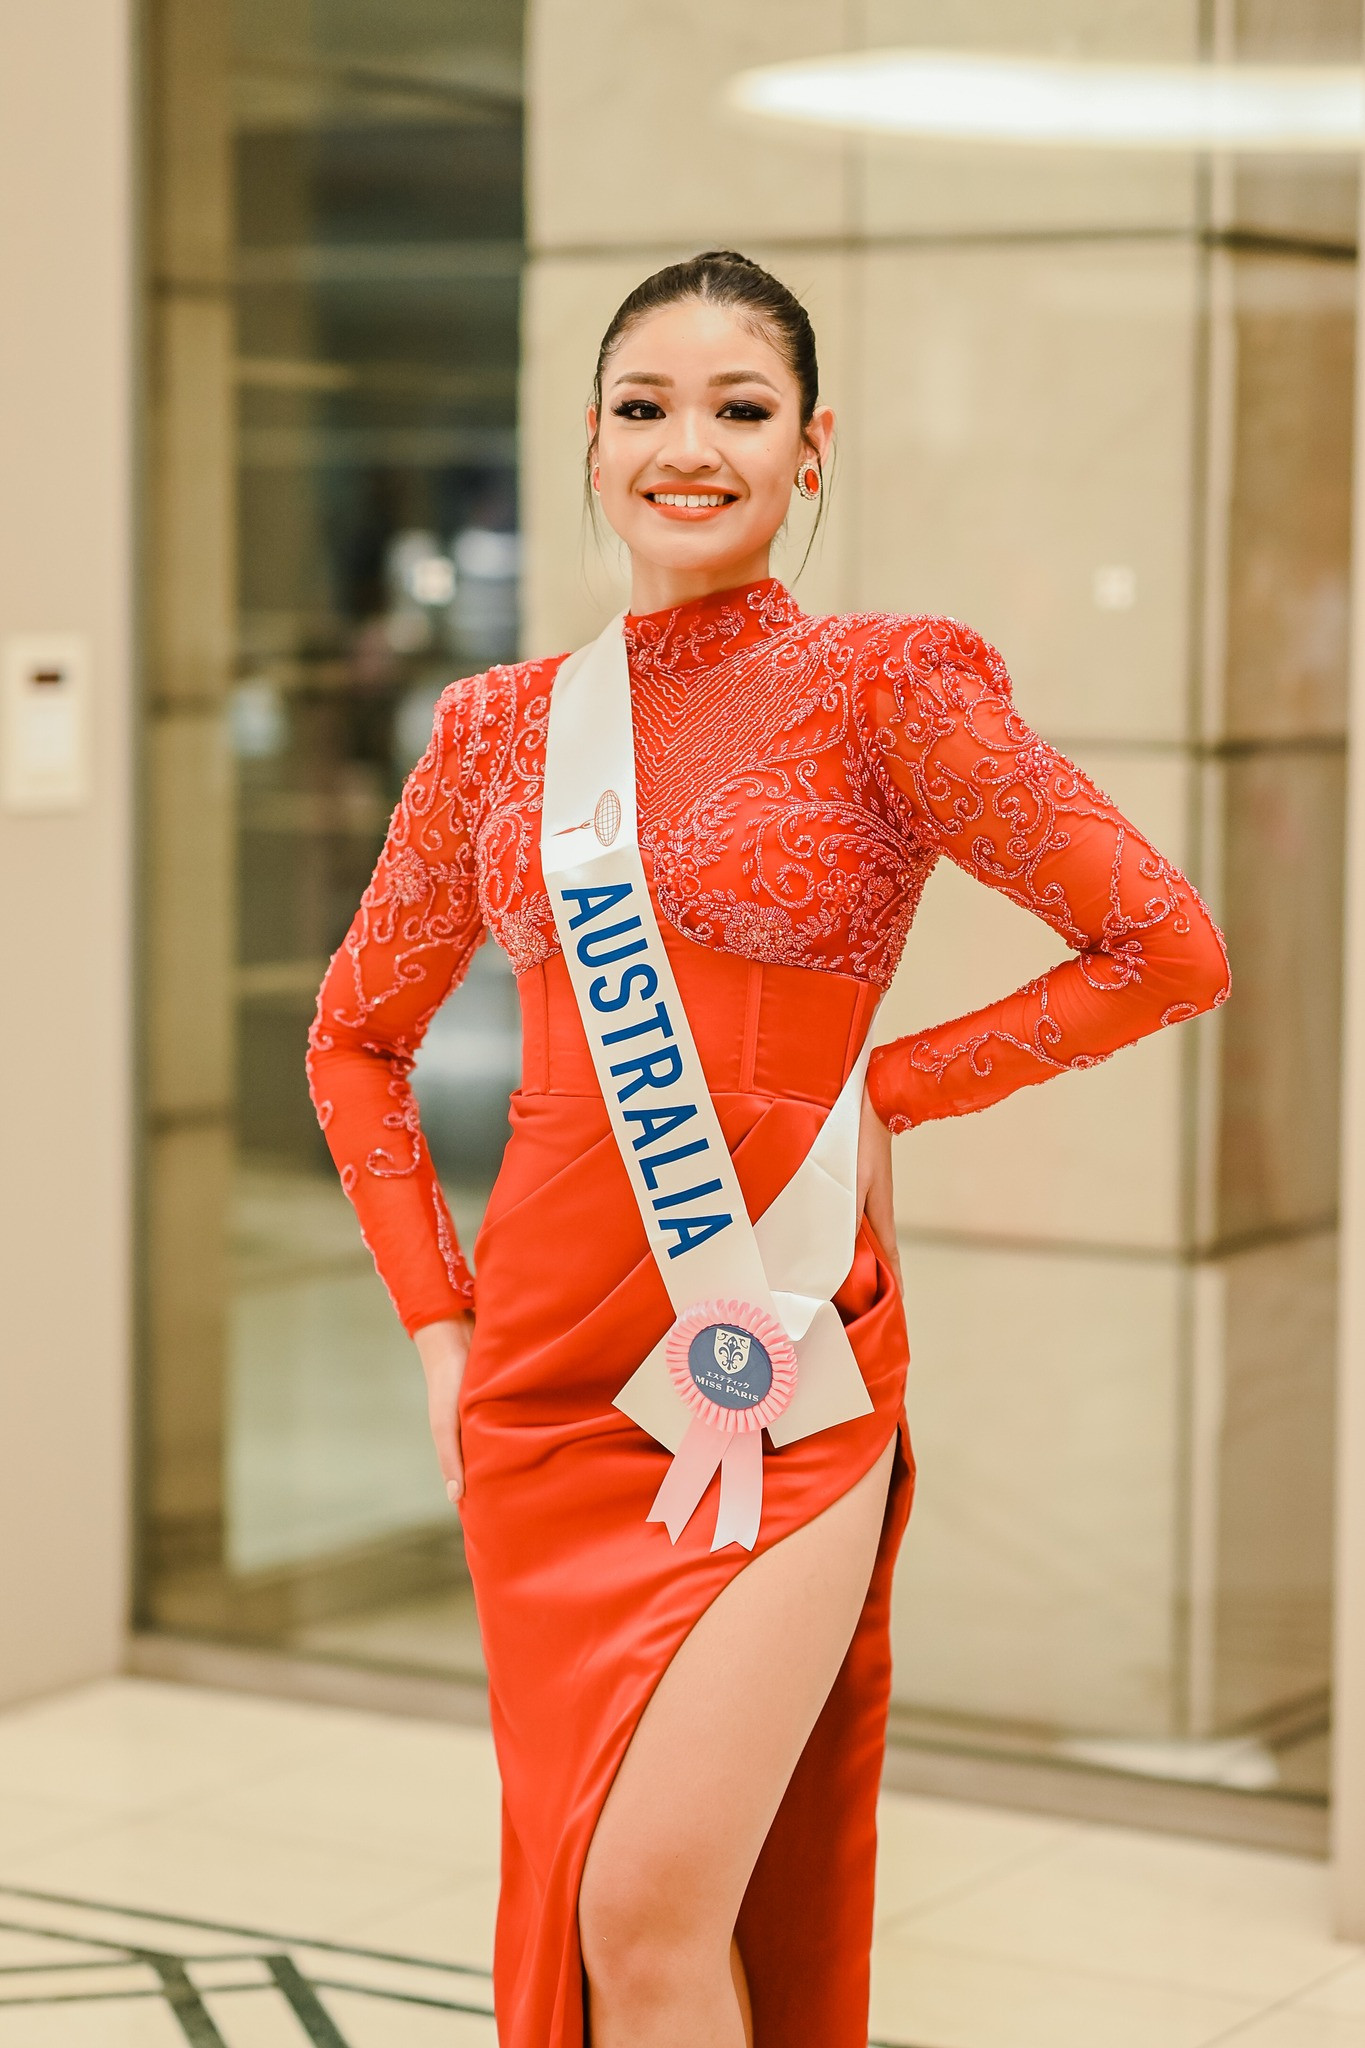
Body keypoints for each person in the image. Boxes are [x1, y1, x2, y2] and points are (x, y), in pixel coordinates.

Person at [307, 249, 1229, 2048]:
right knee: (587, 1907)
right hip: (548, 1380)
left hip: (778, 1363)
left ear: (811, 451)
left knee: (653, 1903)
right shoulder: (500, 731)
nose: (689, 447)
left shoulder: (888, 690)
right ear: (588, 441)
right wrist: (440, 1327)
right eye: (645, 407)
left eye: (741, 410)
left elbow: (1164, 948)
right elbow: (357, 1038)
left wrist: (888, 1089)